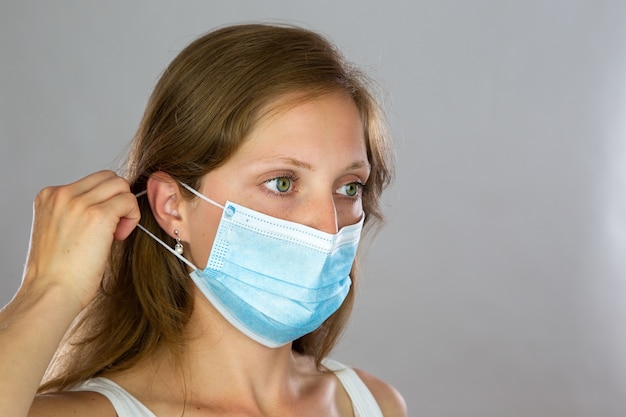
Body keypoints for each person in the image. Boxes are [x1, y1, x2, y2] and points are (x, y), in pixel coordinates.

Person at [0, 23, 407, 416]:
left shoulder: (374, 404)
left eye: (349, 187)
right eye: (282, 183)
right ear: (173, 206)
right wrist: (50, 288)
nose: (329, 225)